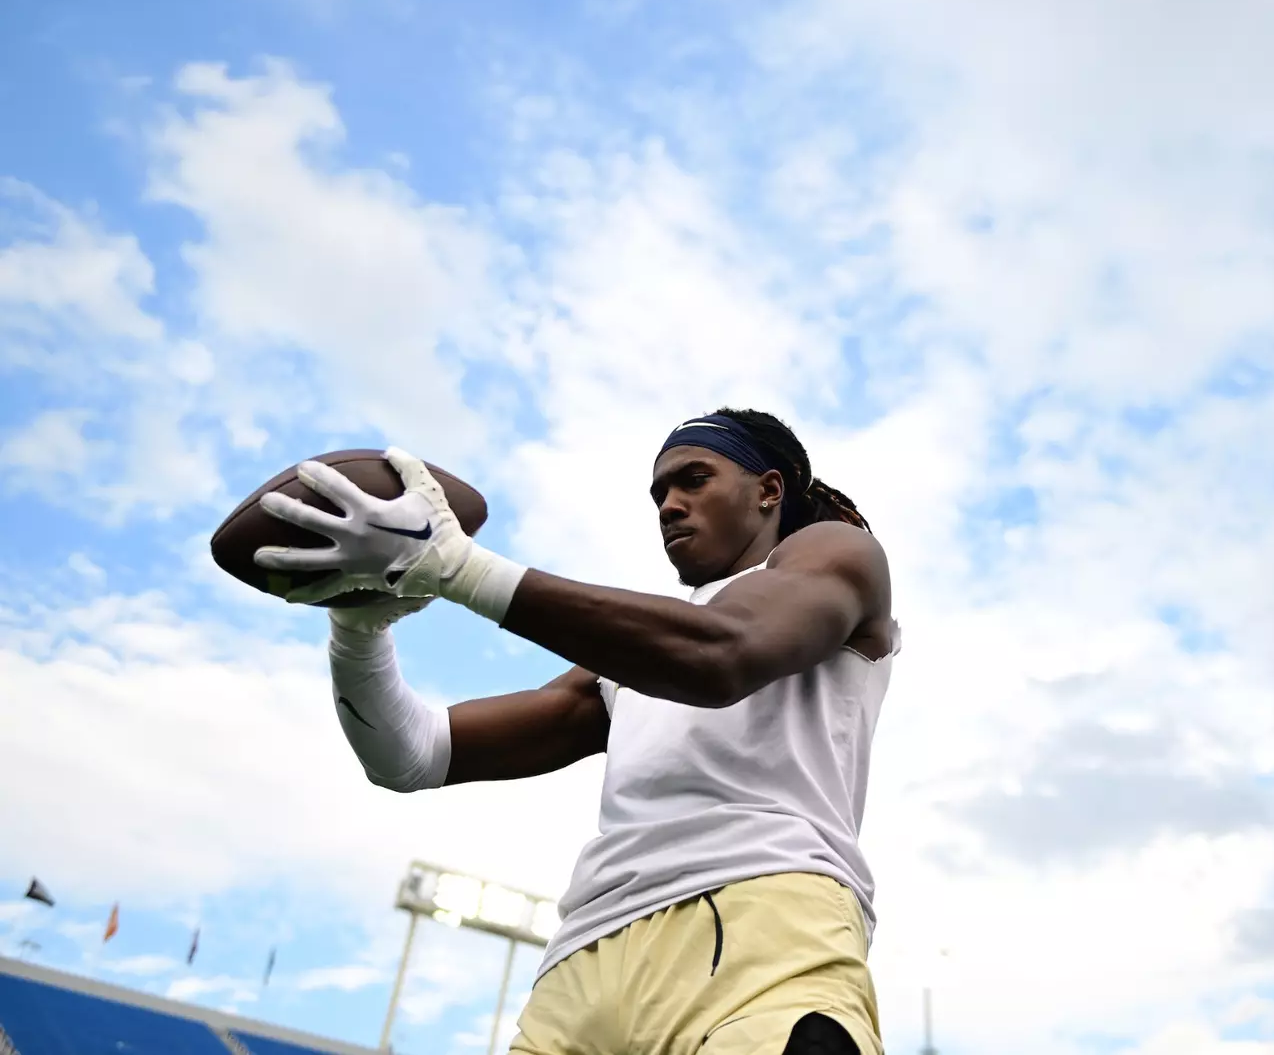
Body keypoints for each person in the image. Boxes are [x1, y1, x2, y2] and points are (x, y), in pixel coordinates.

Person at [253, 409, 898, 1055]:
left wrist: (454, 566)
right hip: (583, 957)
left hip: (759, 925)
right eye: (659, 495)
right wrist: (358, 626)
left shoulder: (837, 555)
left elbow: (722, 655)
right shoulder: (634, 656)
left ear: (769, 491)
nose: (670, 506)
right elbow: (410, 754)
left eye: (694, 479)